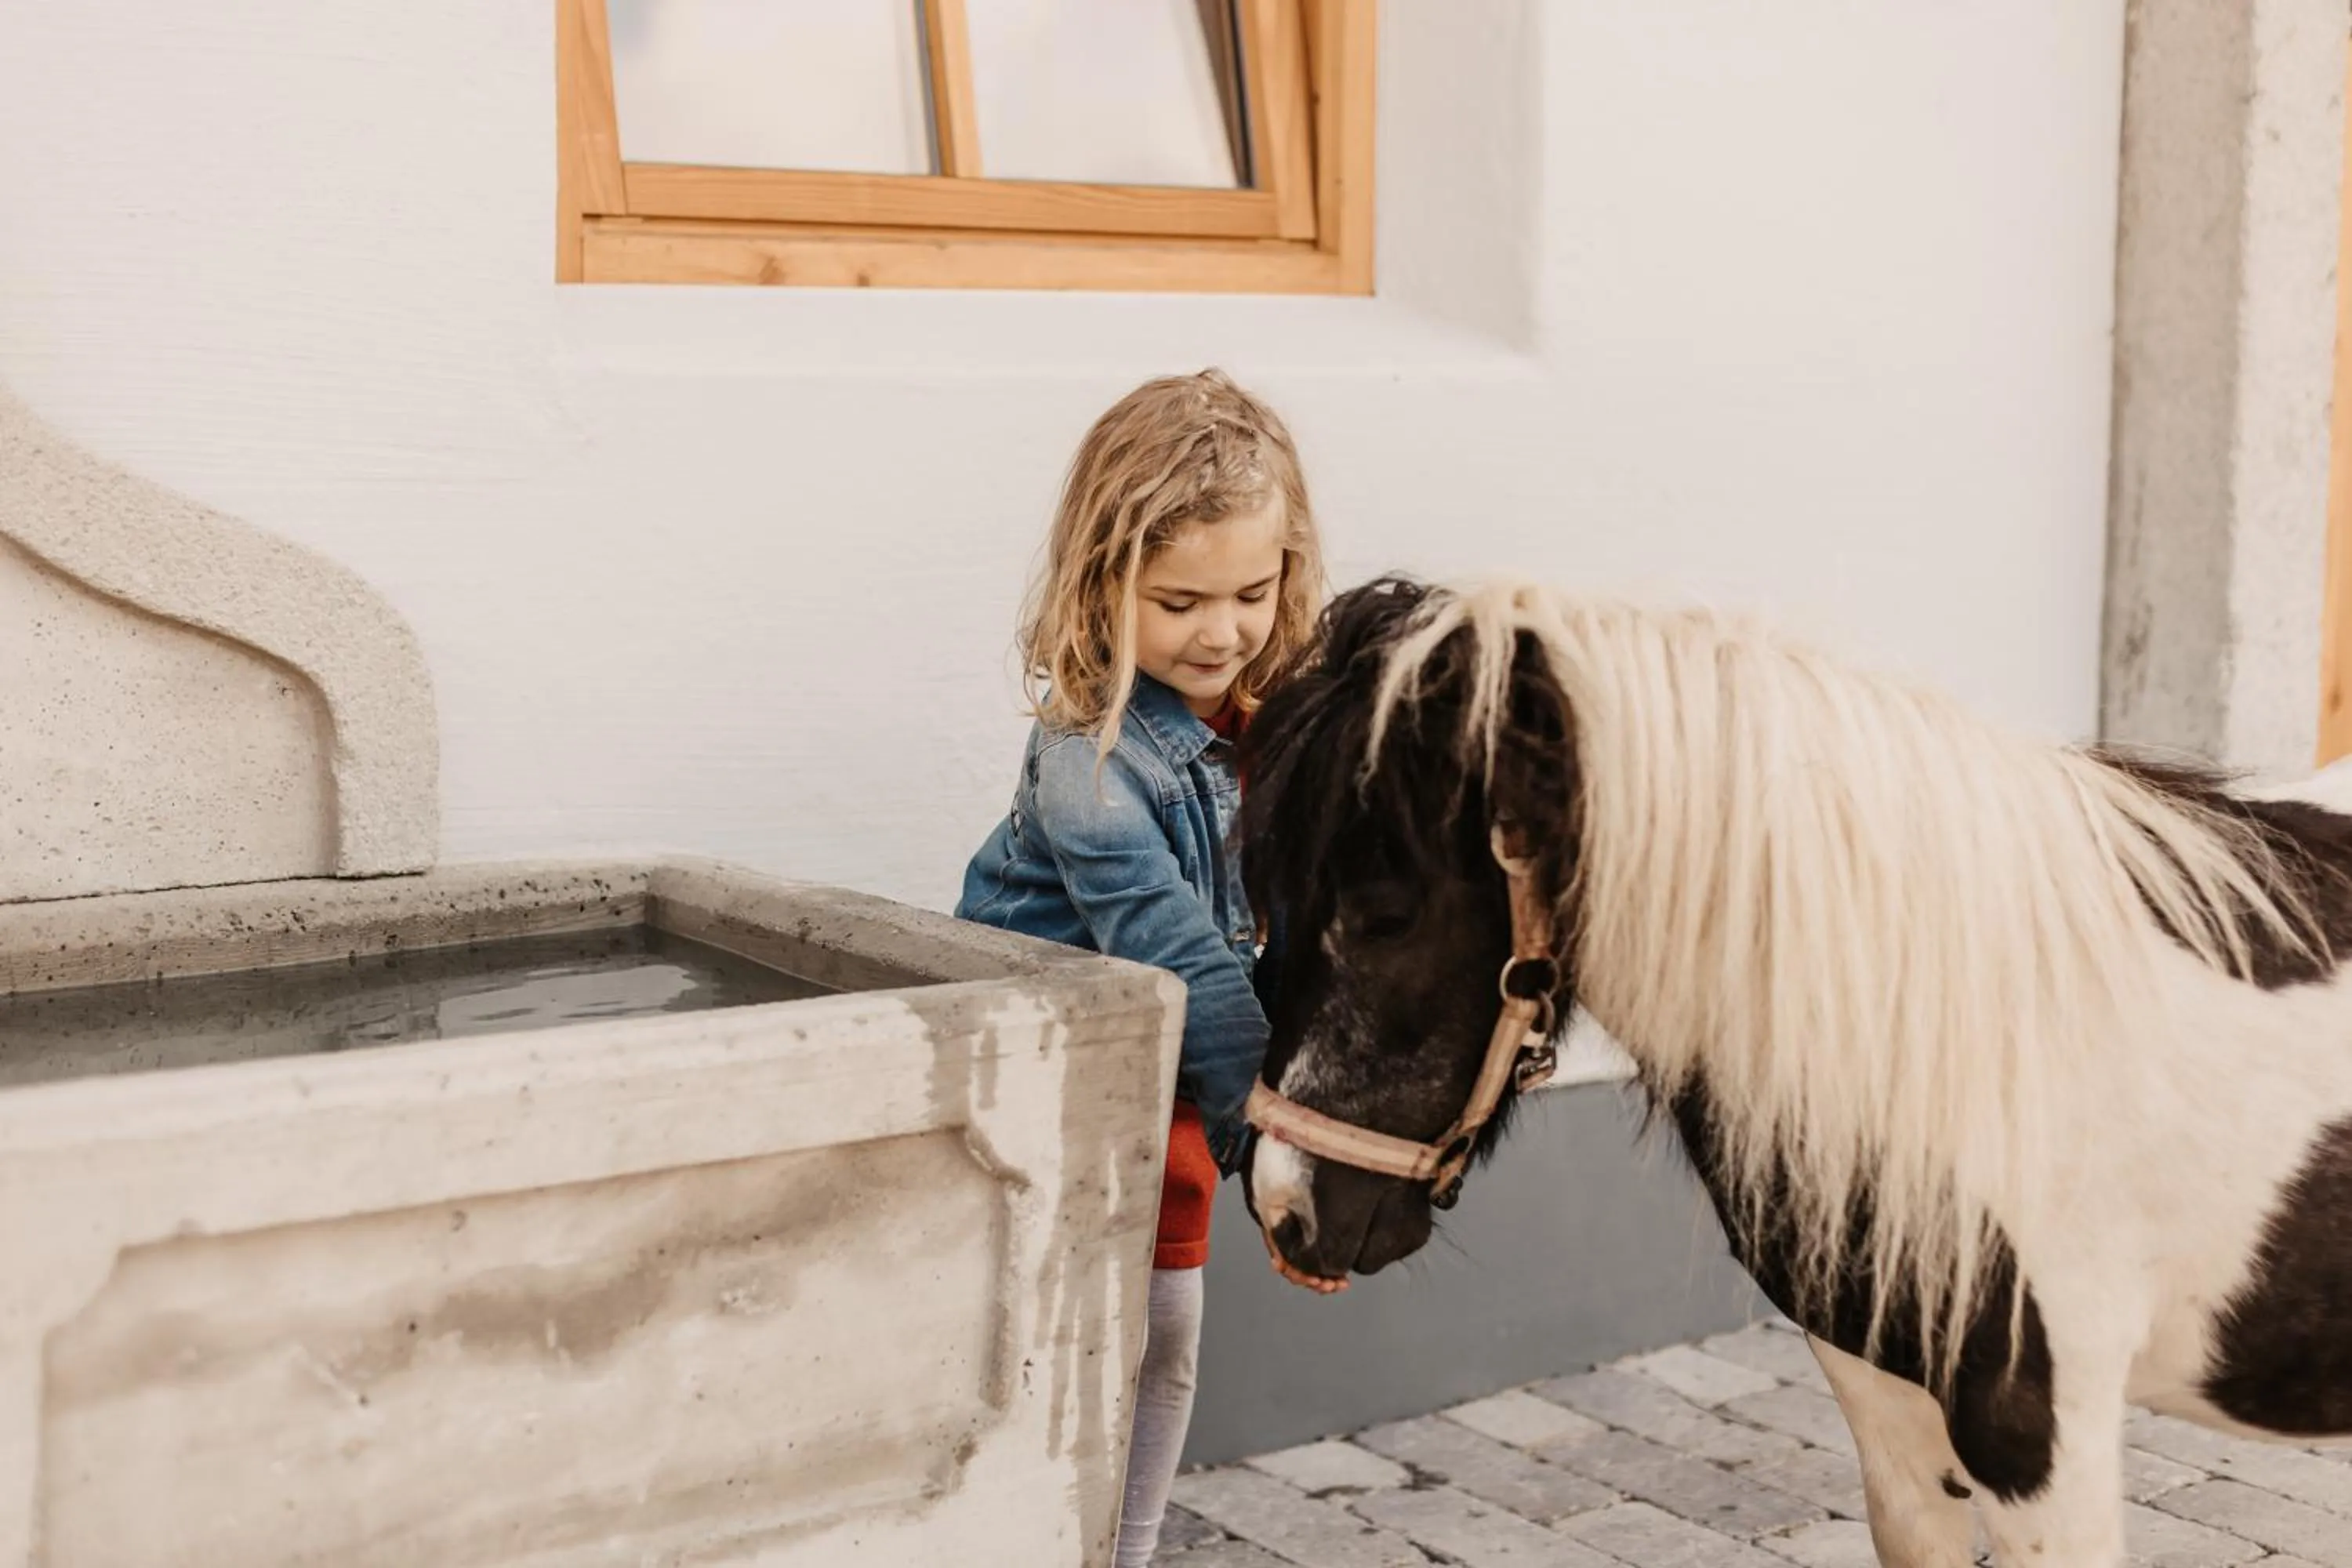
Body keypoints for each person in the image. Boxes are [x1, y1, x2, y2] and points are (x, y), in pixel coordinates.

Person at [956, 368, 1331, 1564]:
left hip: (1179, 1080)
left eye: (1250, 594)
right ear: (1100, 582)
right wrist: (1279, 1154)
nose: (1221, 632)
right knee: (1079, 1333)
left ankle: (1127, 1547)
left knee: (1166, 1342)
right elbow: (1184, 965)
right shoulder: (1094, 761)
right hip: (1064, 1083)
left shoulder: (1270, 715)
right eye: (1178, 601)